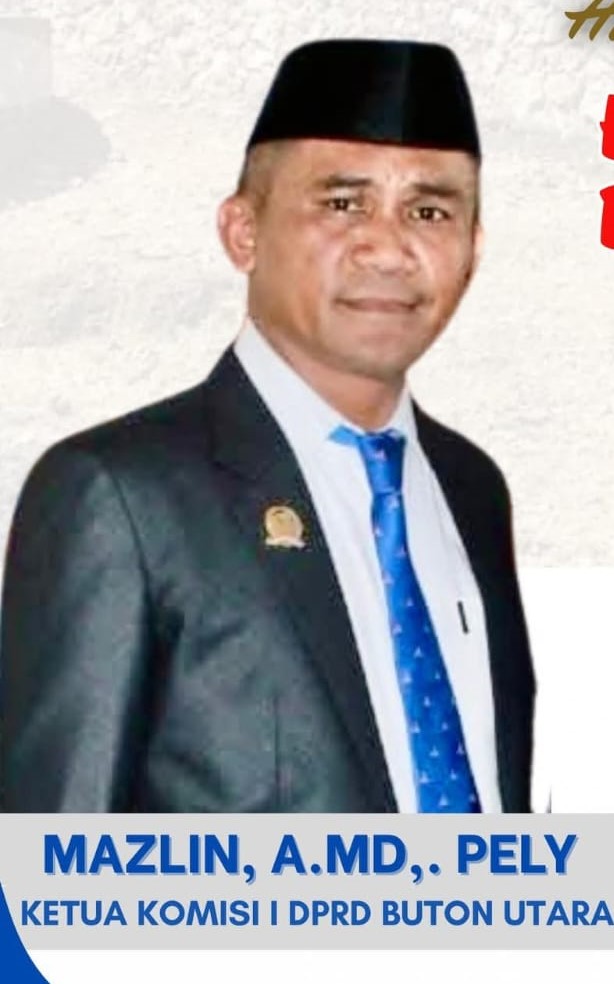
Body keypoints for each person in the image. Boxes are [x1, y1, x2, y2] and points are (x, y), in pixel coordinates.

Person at [0, 39, 534, 812]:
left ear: (472, 249)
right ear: (243, 231)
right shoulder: (120, 497)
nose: (388, 248)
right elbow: (49, 860)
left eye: (429, 211)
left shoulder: (472, 490)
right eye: (342, 203)